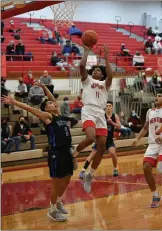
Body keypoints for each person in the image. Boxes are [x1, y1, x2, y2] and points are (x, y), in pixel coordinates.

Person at [2, 83, 74, 222]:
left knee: (67, 178)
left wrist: (44, 87)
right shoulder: (48, 117)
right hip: (56, 154)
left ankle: (58, 201)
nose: (53, 103)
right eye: (50, 103)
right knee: (57, 183)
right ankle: (52, 210)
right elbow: (29, 108)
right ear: (46, 108)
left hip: (66, 152)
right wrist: (13, 102)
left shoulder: (58, 115)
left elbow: (52, 98)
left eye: (54, 103)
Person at [72, 44, 113, 193]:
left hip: (100, 114)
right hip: (88, 110)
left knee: (101, 148)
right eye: (94, 69)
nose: (96, 70)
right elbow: (82, 66)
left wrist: (107, 59)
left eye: (98, 70)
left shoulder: (105, 84)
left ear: (101, 75)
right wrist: (86, 51)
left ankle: (90, 175)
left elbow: (111, 75)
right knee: (90, 138)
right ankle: (74, 154)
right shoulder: (87, 80)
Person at [132, 90, 162, 208]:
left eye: (159, 96)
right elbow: (145, 127)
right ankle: (155, 194)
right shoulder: (150, 111)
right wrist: (137, 138)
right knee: (146, 167)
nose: (156, 97)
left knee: (161, 169)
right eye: (156, 96)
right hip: (152, 144)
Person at [79, 101, 121, 179]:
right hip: (100, 139)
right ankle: (83, 170)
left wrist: (111, 122)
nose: (108, 107)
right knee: (92, 155)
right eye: (107, 106)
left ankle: (115, 169)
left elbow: (119, 126)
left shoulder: (115, 116)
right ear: (105, 107)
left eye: (110, 106)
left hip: (109, 140)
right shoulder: (101, 115)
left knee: (112, 153)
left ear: (112, 107)